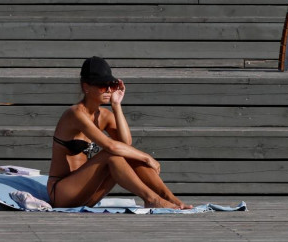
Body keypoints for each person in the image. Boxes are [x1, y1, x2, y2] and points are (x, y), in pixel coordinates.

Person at [46, 56, 190, 209]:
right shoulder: (75, 114)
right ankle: (151, 199)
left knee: (125, 153)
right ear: (86, 87)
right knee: (111, 154)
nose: (108, 90)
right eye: (102, 85)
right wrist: (147, 157)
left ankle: (170, 198)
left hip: (88, 194)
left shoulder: (104, 115)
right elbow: (112, 147)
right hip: (62, 193)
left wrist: (116, 105)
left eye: (111, 84)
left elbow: (125, 143)